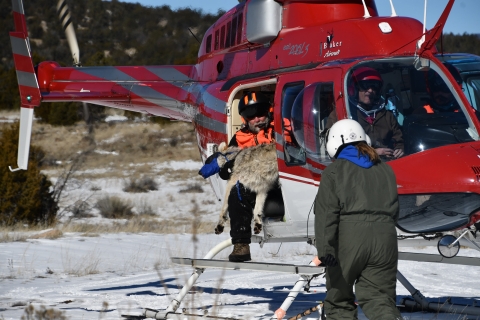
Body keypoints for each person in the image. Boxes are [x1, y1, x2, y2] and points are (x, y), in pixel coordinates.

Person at [315, 119, 402, 320]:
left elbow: (327, 213)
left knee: (339, 300)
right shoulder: (386, 169)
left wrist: (325, 249)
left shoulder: (334, 172)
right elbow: (395, 209)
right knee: (379, 298)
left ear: (334, 142)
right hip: (385, 239)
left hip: (349, 239)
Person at [199, 91, 279, 262]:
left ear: (269, 112)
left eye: (261, 113)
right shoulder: (239, 138)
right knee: (238, 190)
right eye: (251, 115)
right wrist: (225, 168)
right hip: (255, 186)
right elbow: (228, 159)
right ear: (244, 119)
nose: (257, 119)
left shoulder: (279, 129)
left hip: (280, 183)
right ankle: (241, 244)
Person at [326, 66, 404, 159]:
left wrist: (400, 149)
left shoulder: (387, 116)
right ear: (353, 89)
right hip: (356, 167)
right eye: (365, 86)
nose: (370, 90)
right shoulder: (342, 114)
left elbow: (399, 139)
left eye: (374, 87)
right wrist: (372, 152)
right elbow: (334, 148)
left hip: (386, 164)